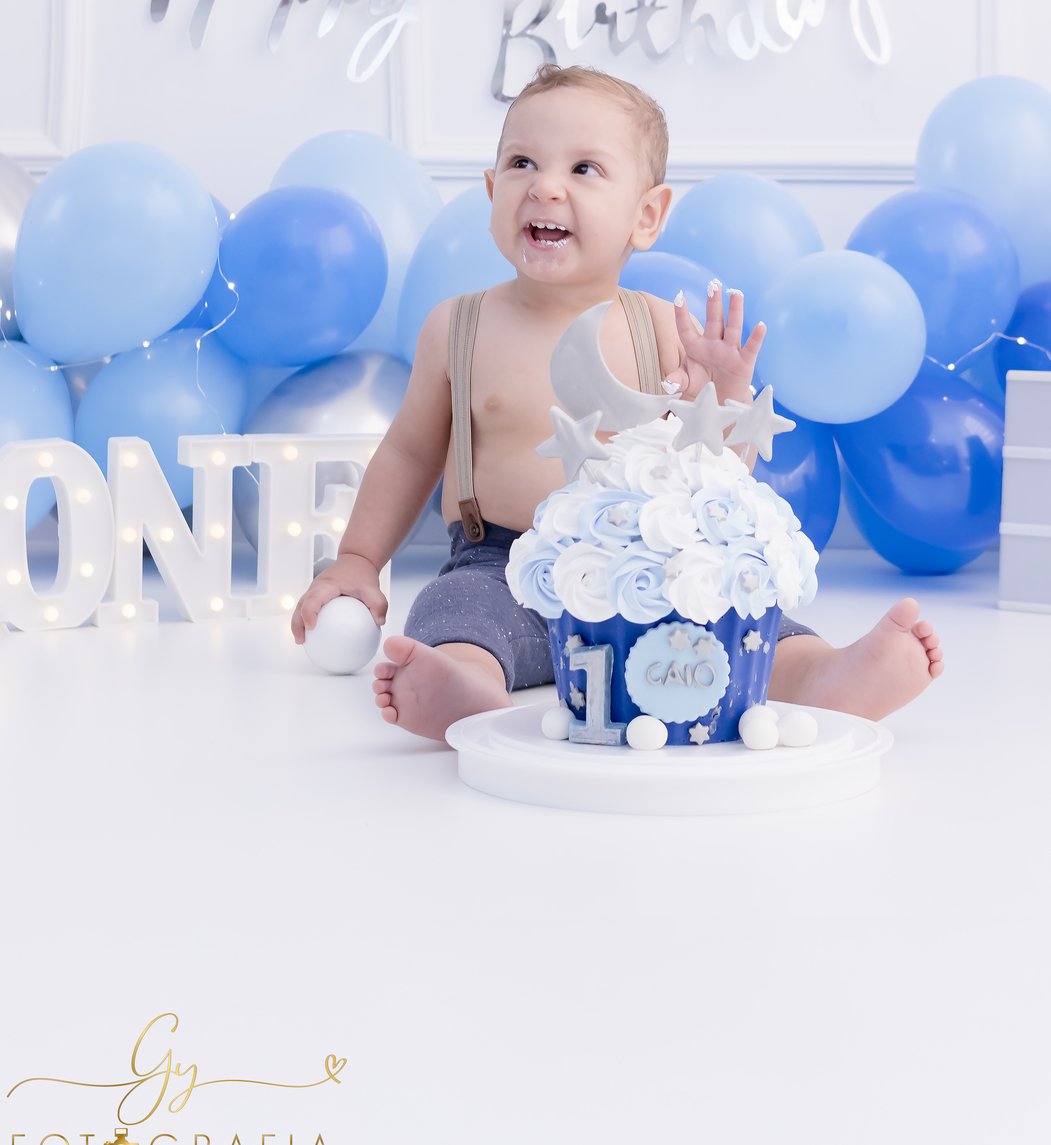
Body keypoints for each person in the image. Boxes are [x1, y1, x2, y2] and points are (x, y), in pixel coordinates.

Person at [291, 64, 943, 738]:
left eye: (584, 170)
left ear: (647, 215)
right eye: (522, 163)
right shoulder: (456, 327)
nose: (545, 186)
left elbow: (717, 481)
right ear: (490, 192)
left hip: (647, 563)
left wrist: (721, 398)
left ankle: (820, 673)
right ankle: (467, 684)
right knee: (455, 608)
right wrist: (359, 560)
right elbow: (408, 452)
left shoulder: (661, 329)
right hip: (501, 562)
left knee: (730, 612)